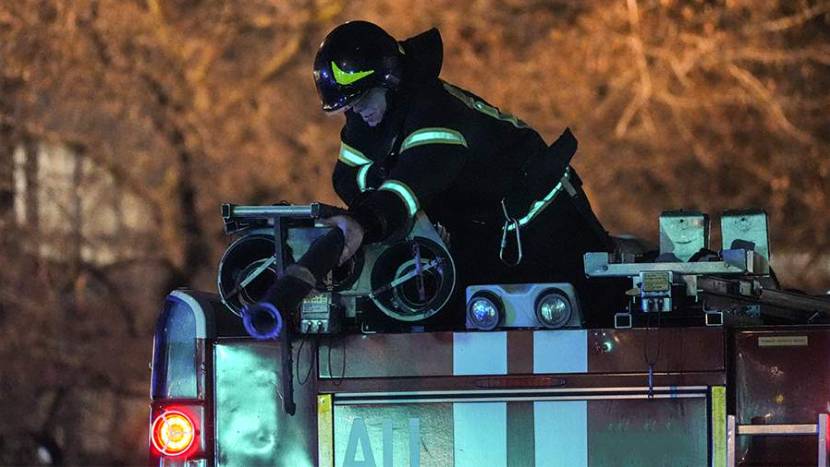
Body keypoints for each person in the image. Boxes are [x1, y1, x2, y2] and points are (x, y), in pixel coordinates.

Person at [253, 20, 620, 330]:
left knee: (585, 328)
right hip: (487, 237)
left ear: (389, 80)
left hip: (548, 228)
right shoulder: (370, 119)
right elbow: (348, 177)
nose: (357, 113)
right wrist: (372, 196)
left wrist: (365, 221)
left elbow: (413, 182)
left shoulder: (435, 112)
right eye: (347, 107)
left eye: (361, 101)